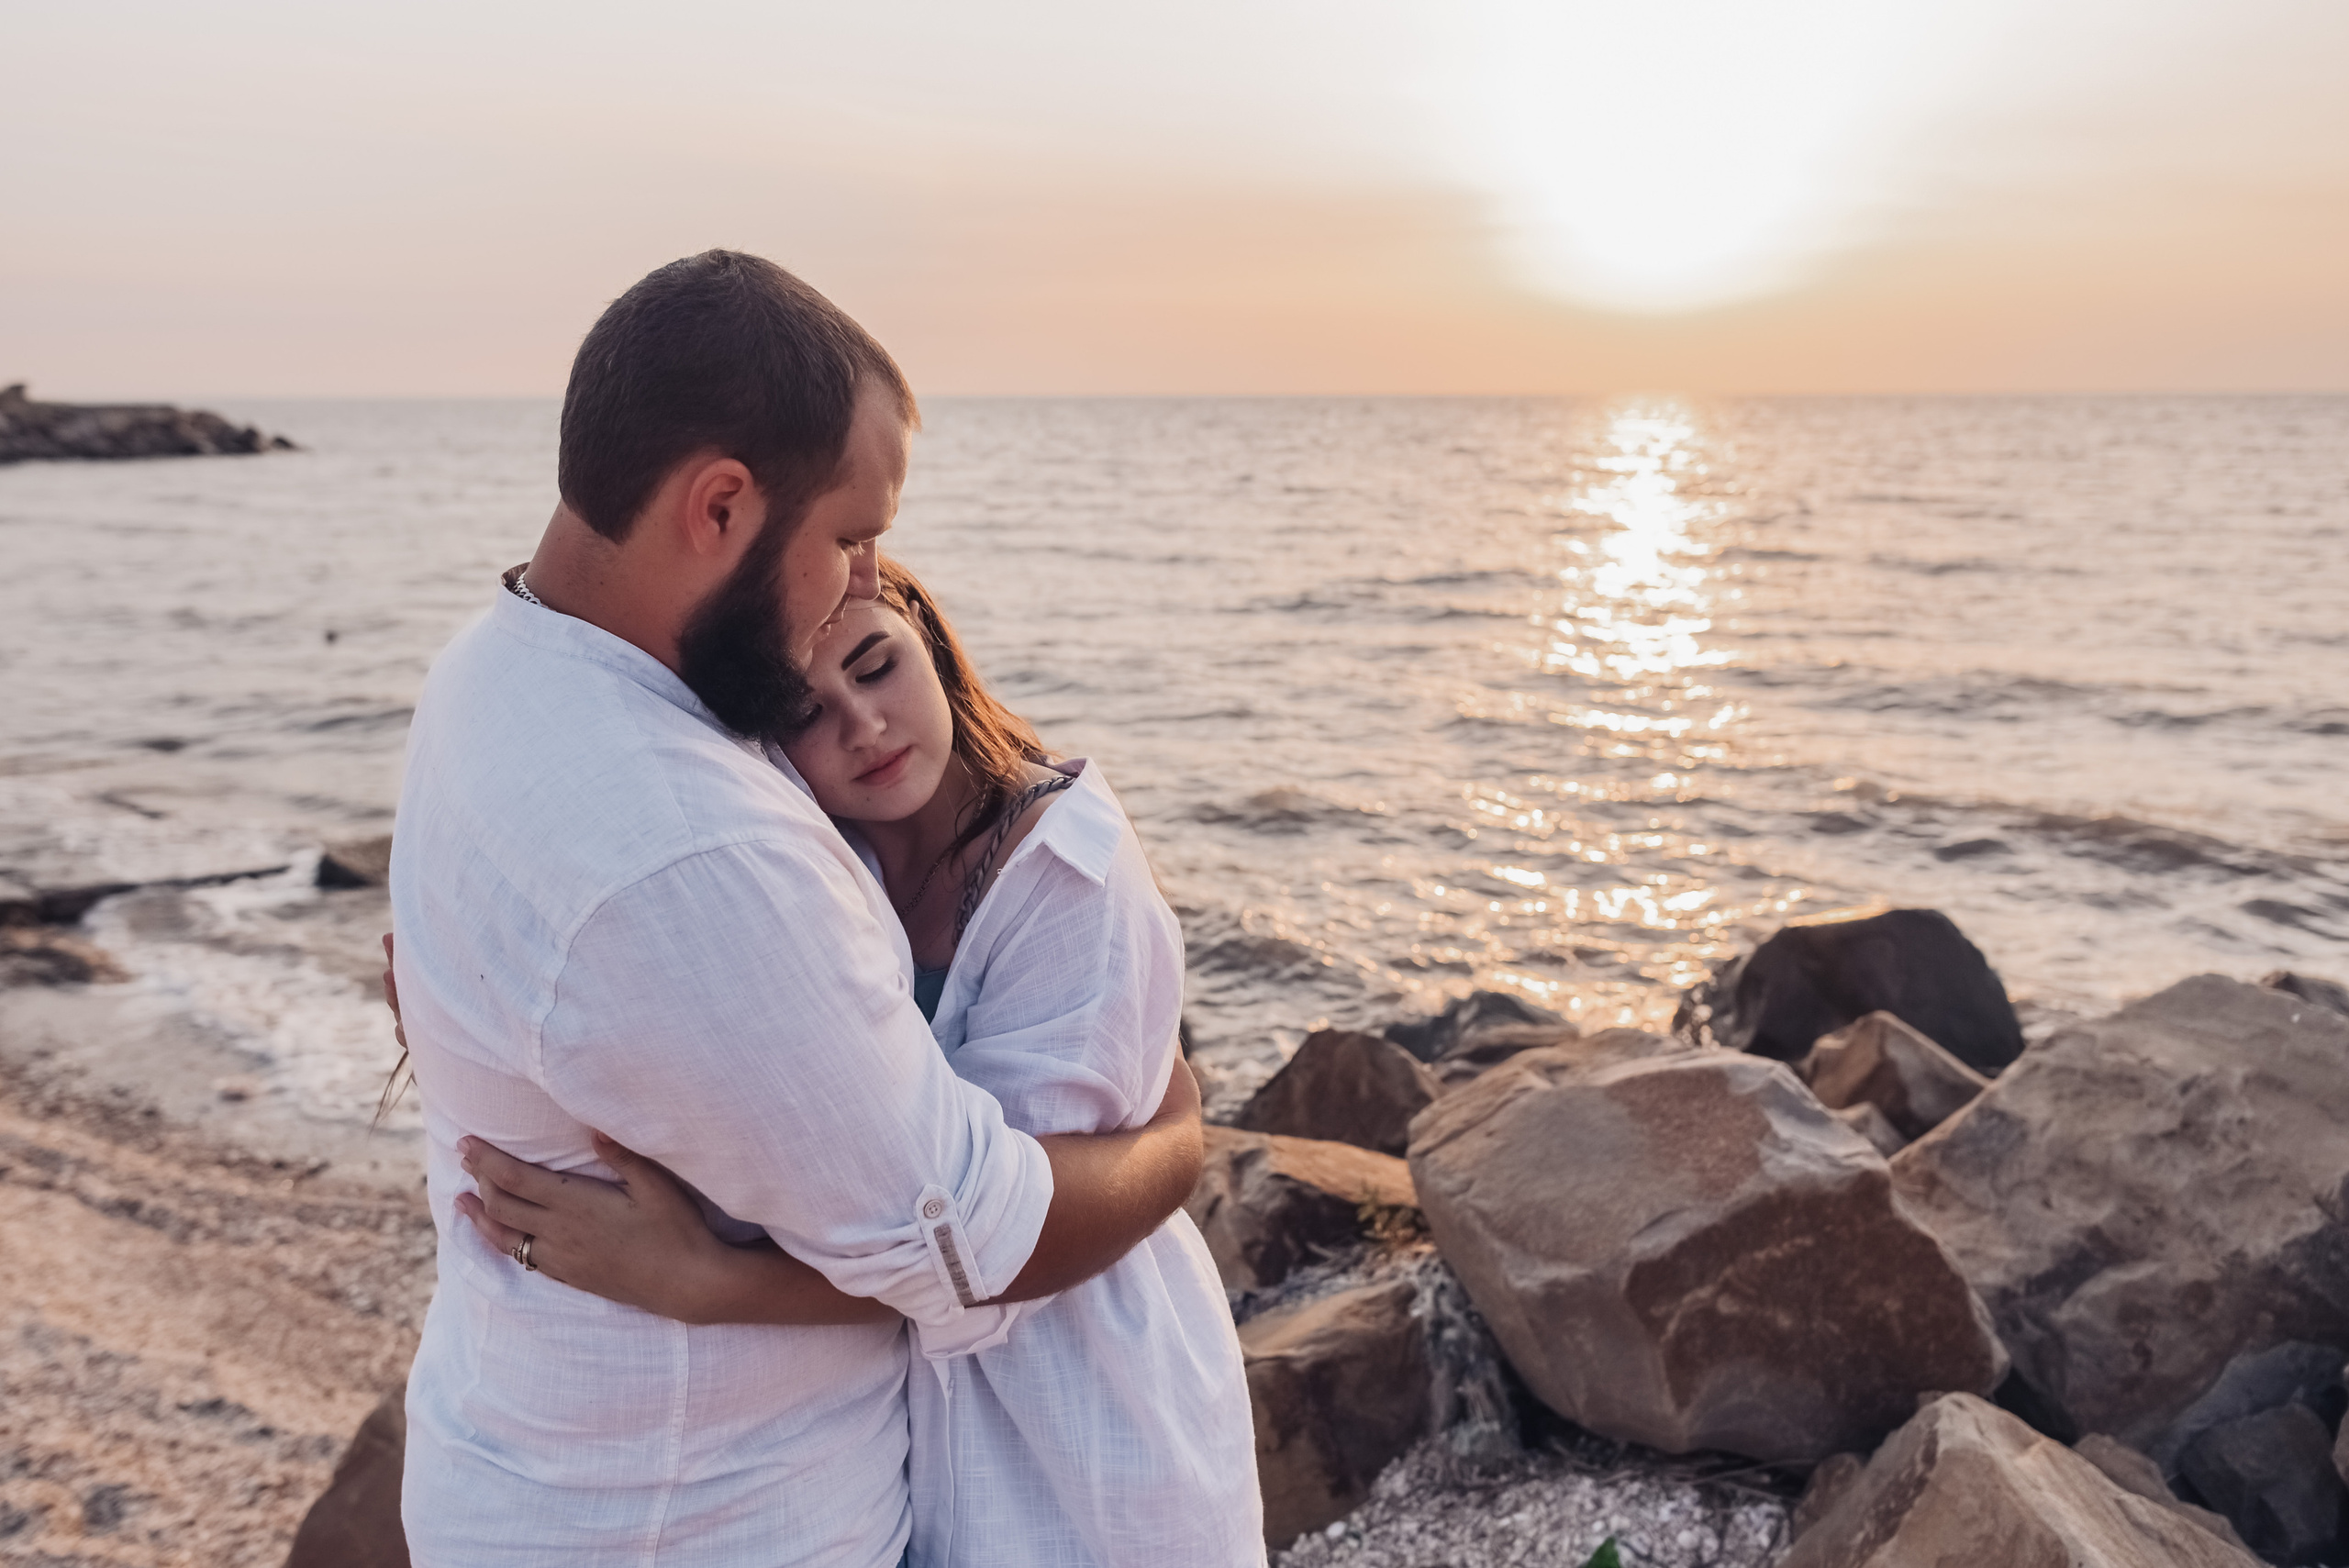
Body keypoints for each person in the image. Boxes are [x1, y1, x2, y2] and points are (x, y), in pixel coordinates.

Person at [386, 250, 1205, 1566]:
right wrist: (1177, 1139)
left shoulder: (499, 671)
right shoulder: (686, 853)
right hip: (693, 1522)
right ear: (718, 506)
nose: (868, 577)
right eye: (847, 536)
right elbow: (968, 1240)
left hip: (541, 1455)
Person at [447, 559, 1265, 1566]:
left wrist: (708, 1280)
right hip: (915, 1432)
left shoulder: (1066, 873)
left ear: (931, 638)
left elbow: (1009, 1246)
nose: (863, 727)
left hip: (1086, 1404)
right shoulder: (823, 863)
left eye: (876, 667)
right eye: (806, 712)